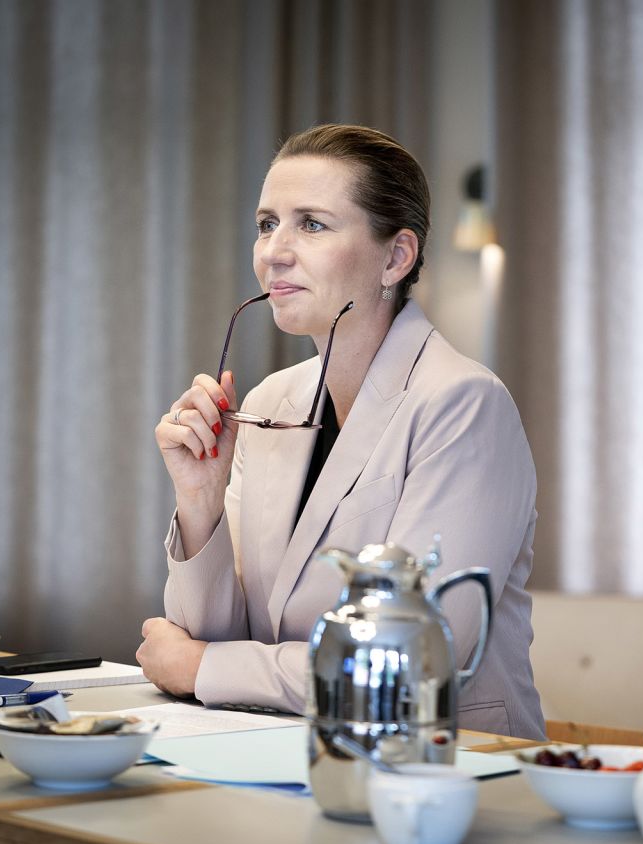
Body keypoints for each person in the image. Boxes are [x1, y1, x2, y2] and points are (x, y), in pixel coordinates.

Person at [138, 124, 545, 739]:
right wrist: (201, 503)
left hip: (448, 773)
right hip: (279, 755)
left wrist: (204, 667)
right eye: (267, 222)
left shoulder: (463, 404)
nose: (274, 250)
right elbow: (206, 644)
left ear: (395, 257)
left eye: (312, 224)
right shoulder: (272, 399)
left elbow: (411, 668)